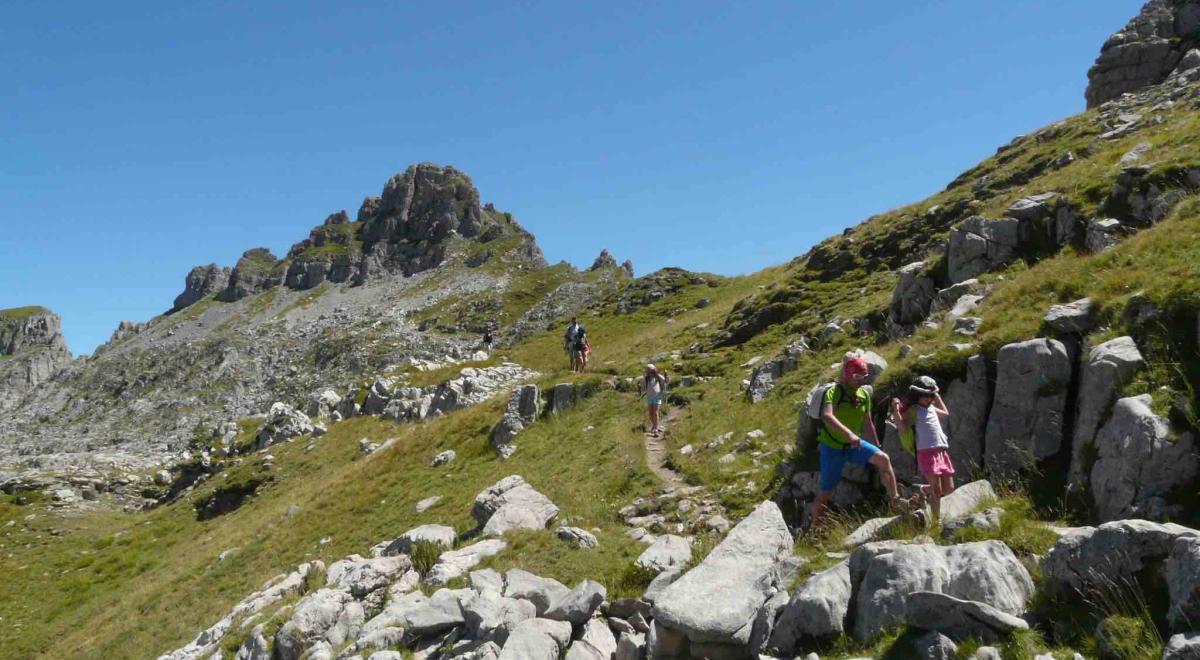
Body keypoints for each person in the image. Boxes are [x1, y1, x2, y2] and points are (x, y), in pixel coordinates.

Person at [809, 356, 904, 532]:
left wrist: (876, 447)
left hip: (854, 445)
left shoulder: (863, 395)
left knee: (883, 459)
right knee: (825, 494)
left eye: (864, 377)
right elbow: (827, 416)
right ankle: (815, 530)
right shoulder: (835, 391)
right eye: (857, 377)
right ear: (847, 375)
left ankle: (896, 501)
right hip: (832, 448)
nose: (860, 381)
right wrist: (850, 434)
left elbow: (868, 423)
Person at [894, 376, 955, 525]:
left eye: (931, 396)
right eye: (926, 396)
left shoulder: (931, 407)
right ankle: (936, 521)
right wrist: (896, 410)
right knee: (936, 490)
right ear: (917, 396)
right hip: (926, 452)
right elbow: (902, 427)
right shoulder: (914, 410)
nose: (929, 399)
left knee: (948, 489)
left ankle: (922, 490)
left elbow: (946, 413)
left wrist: (937, 396)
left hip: (941, 450)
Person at [639, 364, 669, 435]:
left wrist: (667, 377)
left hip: (657, 396)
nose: (648, 371)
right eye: (647, 370)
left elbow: (665, 381)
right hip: (649, 397)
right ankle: (654, 425)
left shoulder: (658, 376)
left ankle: (656, 427)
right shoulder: (646, 378)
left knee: (655, 412)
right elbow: (643, 386)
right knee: (650, 413)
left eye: (649, 369)